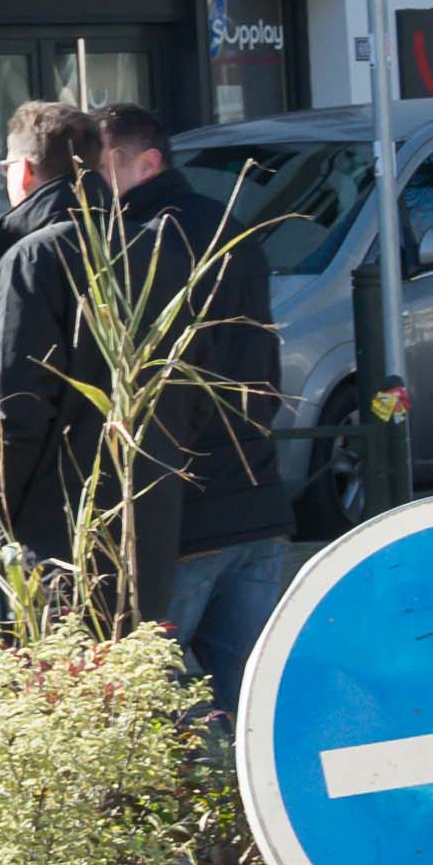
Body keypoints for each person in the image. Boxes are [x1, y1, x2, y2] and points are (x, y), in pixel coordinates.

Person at [101, 107, 291, 711]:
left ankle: (173, 804)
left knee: (140, 708)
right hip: (254, 495)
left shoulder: (141, 238)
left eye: (100, 167)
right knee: (259, 712)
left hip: (184, 510)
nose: (86, 183)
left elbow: (168, 385)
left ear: (148, 162)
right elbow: (261, 364)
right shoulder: (227, 226)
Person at [0, 99, 112, 578]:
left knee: (57, 651)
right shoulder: (145, 241)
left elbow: (13, 405)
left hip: (54, 522)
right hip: (141, 511)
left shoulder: (30, 260)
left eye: (7, 165)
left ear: (26, 171)